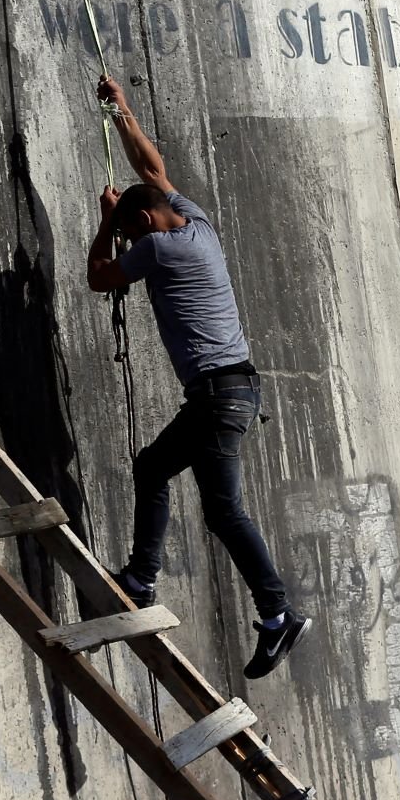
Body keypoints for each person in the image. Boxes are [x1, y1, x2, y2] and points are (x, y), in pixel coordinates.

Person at [84, 75, 307, 680]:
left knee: (210, 503)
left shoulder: (158, 249)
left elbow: (99, 277)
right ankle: (152, 578)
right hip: (234, 390)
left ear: (146, 225)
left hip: (215, 396)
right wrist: (123, 109)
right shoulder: (197, 225)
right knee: (175, 481)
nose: (133, 240)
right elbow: (153, 170)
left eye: (135, 231)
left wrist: (107, 225)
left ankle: (271, 609)